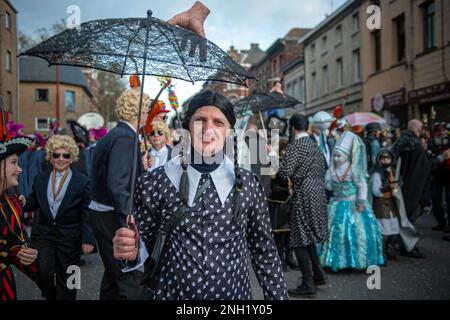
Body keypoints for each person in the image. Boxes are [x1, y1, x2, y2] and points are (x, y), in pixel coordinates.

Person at [113, 90, 288, 300]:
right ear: (188, 126)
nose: (208, 129)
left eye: (218, 122)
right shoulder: (156, 182)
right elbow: (143, 246)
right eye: (200, 120)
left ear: (230, 131)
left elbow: (265, 253)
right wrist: (131, 250)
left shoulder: (249, 185)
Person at [89, 89, 151, 300]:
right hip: (112, 215)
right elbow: (117, 184)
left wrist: (139, 166)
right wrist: (129, 216)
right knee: (129, 275)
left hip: (102, 212)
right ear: (139, 112)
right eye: (147, 111)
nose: (148, 116)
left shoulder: (116, 134)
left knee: (113, 274)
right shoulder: (126, 137)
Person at [23, 135, 94, 300]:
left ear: (72, 158)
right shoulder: (41, 178)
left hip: (71, 237)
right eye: (56, 155)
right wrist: (23, 201)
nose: (61, 159)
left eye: (66, 155)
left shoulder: (83, 181)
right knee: (42, 271)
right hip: (45, 234)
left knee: (71, 277)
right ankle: (51, 296)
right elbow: (34, 201)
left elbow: (87, 212)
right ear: (50, 157)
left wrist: (88, 239)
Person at [278, 114, 328, 298]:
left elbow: (284, 173)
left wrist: (275, 157)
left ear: (292, 129)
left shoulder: (296, 146)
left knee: (299, 238)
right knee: (308, 237)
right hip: (318, 193)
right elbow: (325, 167)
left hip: (304, 195)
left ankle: (308, 283)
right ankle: (319, 273)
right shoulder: (316, 146)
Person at [319, 131, 384, 271]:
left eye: (339, 156)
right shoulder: (332, 171)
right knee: (335, 232)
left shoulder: (354, 170)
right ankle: (336, 260)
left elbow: (362, 185)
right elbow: (329, 186)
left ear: (347, 155)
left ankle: (355, 259)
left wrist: (361, 201)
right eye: (335, 155)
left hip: (352, 204)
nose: (336, 158)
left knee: (355, 233)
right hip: (336, 204)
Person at [0, 133, 39, 300]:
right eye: (14, 163)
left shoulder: (12, 204)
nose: (20, 169)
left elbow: (16, 245)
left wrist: (30, 255)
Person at [391, 120, 450, 224]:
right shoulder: (414, 143)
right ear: (419, 129)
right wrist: (441, 157)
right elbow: (425, 166)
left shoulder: (400, 141)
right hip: (410, 185)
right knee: (410, 213)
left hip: (400, 183)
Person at [370, 149, 420, 262]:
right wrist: (389, 187)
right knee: (383, 230)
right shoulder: (376, 174)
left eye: (387, 158)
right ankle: (380, 254)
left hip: (391, 204)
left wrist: (396, 186)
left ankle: (388, 250)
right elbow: (376, 191)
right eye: (383, 158)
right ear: (379, 159)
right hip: (381, 205)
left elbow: (396, 189)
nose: (385, 160)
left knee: (394, 229)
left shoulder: (391, 171)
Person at [267, 139, 291, 271]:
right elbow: (274, 187)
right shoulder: (274, 164)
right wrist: (288, 190)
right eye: (285, 149)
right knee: (279, 236)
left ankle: (289, 258)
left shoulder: (289, 164)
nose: (286, 152)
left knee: (289, 235)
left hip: (288, 203)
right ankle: (280, 259)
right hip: (278, 204)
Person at [427, 123, 450, 232]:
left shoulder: (449, 140)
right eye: (438, 131)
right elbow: (428, 160)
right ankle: (441, 222)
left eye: (443, 130)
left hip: (448, 174)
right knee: (436, 201)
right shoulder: (431, 143)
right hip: (436, 175)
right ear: (434, 132)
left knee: (449, 200)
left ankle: (448, 226)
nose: (441, 133)